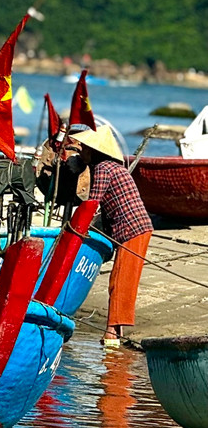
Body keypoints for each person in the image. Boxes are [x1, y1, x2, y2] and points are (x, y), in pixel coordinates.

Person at [68, 126, 153, 347]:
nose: (81, 153)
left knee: (121, 281)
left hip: (133, 228)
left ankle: (112, 333)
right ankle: (116, 329)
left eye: (84, 149)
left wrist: (76, 230)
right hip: (131, 228)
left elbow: (92, 203)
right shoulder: (109, 166)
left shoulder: (104, 168)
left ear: (93, 150)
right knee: (119, 278)